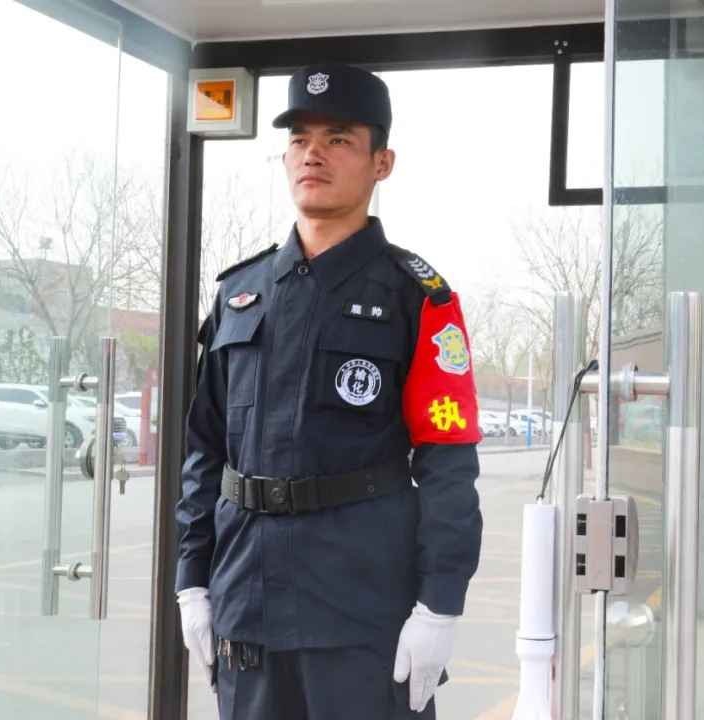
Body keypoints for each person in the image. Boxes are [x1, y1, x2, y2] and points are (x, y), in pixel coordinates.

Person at [175, 62, 484, 720]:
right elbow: (205, 450)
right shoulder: (239, 293)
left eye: (339, 138)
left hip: (363, 617)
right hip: (246, 606)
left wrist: (440, 604)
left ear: (382, 163)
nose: (312, 153)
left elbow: (448, 463)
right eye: (299, 139)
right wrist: (191, 581)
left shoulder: (417, 298)